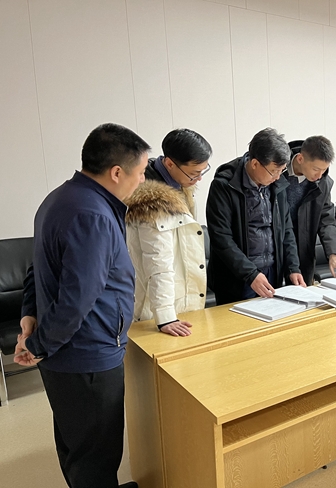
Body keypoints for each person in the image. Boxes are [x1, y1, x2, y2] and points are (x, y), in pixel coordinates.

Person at [14, 123, 149, 488]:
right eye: (139, 172)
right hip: (88, 356)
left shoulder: (59, 198)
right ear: (116, 172)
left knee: (76, 444)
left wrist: (29, 317)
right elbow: (77, 299)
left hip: (63, 354)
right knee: (96, 454)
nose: (141, 180)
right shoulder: (93, 215)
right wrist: (38, 345)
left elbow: (36, 268)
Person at [125, 129, 212, 337]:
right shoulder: (152, 201)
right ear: (170, 164)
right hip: (158, 311)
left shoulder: (179, 185)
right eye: (194, 173)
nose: (199, 179)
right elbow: (158, 261)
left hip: (181, 299)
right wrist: (165, 317)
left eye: (203, 171)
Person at [206, 127, 306, 305]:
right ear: (254, 164)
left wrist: (293, 268)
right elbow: (221, 238)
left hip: (271, 274)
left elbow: (286, 230)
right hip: (237, 278)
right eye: (274, 171)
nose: (278, 177)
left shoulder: (277, 185)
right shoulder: (224, 185)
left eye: (282, 170)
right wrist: (251, 274)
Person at [284, 136, 336, 285]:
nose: (319, 175)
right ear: (300, 159)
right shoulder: (277, 171)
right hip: (276, 250)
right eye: (316, 169)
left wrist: (334, 254)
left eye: (324, 170)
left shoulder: (323, 182)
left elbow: (326, 220)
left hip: (303, 252)